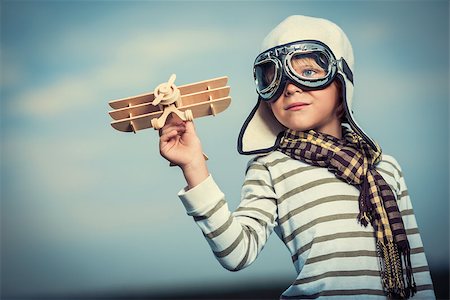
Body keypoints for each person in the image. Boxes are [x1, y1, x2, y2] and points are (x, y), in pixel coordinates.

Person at [159, 15, 435, 299]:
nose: (290, 87)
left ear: (342, 85)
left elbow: (415, 268)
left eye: (309, 71)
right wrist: (194, 165)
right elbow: (237, 253)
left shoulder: (385, 167)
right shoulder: (270, 166)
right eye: (273, 77)